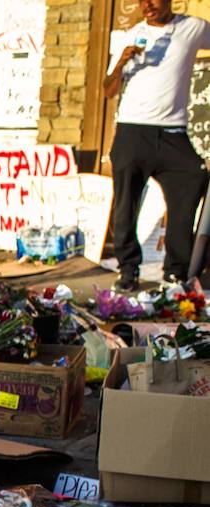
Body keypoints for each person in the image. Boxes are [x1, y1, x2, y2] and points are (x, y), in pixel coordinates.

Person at [103, 0, 210, 290]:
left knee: (194, 176)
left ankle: (176, 270)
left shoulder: (192, 28)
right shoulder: (132, 34)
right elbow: (108, 90)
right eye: (142, 0)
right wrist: (123, 61)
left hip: (173, 133)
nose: (147, 5)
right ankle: (128, 268)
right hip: (132, 131)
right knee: (126, 203)